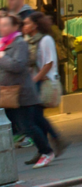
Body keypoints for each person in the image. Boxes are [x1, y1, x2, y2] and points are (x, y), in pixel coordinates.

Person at [0, 12, 55, 167]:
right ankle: (44, 150)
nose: (2, 28)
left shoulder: (19, 43)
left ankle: (46, 151)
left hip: (22, 93)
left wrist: (2, 56)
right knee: (21, 126)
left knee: (28, 126)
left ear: (14, 27)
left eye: (5, 25)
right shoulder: (3, 43)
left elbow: (18, 65)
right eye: (1, 25)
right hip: (7, 94)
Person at [25, 12, 67, 157]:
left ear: (35, 25)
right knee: (37, 116)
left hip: (44, 81)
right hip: (36, 81)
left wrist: (35, 79)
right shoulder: (31, 40)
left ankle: (53, 142)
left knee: (35, 117)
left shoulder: (45, 39)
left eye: (27, 23)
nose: (24, 26)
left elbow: (48, 63)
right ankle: (45, 148)